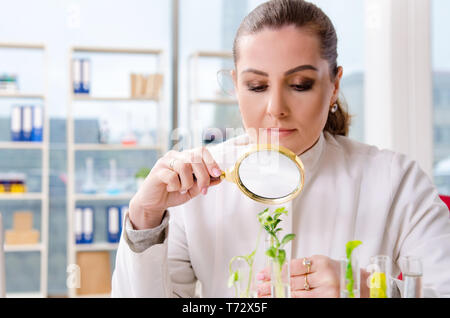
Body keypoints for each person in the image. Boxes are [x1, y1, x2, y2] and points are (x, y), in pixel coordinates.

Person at [112, 0, 450, 298]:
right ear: (235, 86)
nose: (276, 108)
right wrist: (145, 221)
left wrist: (374, 292)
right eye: (257, 86)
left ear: (334, 86)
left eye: (300, 85)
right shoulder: (196, 187)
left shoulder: (397, 181)